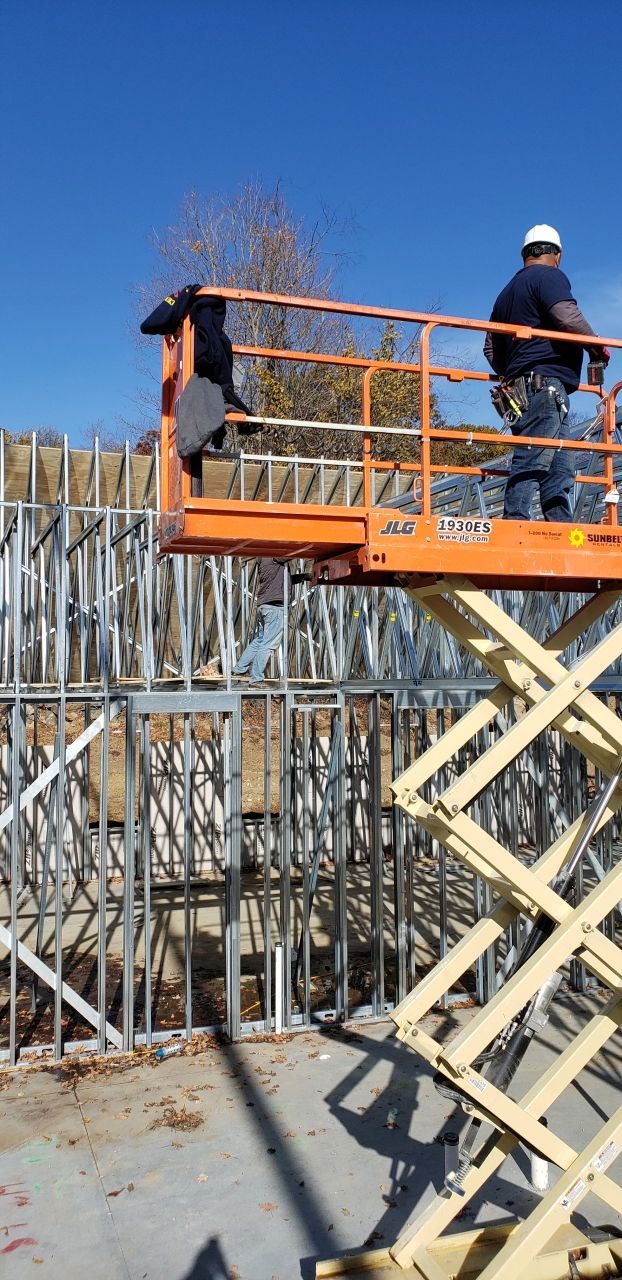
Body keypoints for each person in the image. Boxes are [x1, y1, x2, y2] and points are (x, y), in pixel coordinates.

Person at [484, 224, 609, 522]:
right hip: (544, 387)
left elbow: (490, 347)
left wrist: (514, 371)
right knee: (534, 458)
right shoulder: (548, 276)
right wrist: (596, 347)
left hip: (520, 392)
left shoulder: (504, 295)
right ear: (557, 255)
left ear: (525, 254)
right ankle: (514, 522)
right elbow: (566, 316)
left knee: (560, 465)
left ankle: (561, 527)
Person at [232, 557, 286, 685]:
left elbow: (281, 581)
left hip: (264, 605)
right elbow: (294, 551)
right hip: (275, 607)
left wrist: (302, 577)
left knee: (260, 640)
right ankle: (256, 678)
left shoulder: (265, 561)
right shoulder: (275, 556)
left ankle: (239, 669)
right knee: (268, 643)